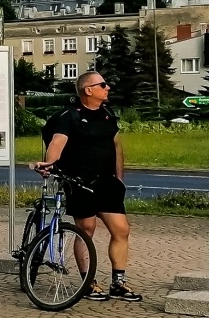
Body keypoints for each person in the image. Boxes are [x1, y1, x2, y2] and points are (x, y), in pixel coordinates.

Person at [33, 71, 142, 301]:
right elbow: (57, 142)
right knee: (86, 229)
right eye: (103, 84)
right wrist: (50, 164)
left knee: (121, 229)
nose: (108, 87)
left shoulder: (107, 114)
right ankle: (88, 282)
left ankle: (118, 282)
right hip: (79, 182)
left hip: (106, 182)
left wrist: (119, 179)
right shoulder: (69, 116)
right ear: (88, 90)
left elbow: (116, 146)